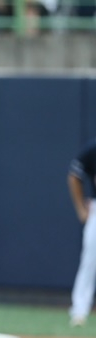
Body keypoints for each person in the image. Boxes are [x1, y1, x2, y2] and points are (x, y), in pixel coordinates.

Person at [67, 139, 96, 327]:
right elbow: (74, 174)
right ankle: (79, 311)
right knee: (90, 259)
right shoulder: (93, 150)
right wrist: (80, 208)